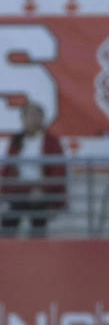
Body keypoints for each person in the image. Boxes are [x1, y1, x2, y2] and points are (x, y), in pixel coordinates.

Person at [2, 102, 66, 239]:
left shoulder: (51, 141)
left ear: (42, 118)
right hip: (17, 192)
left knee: (38, 225)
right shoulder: (16, 140)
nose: (32, 119)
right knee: (7, 225)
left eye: (36, 115)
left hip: (41, 192)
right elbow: (7, 169)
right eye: (28, 115)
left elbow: (59, 171)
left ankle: (37, 255)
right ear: (23, 119)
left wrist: (43, 189)